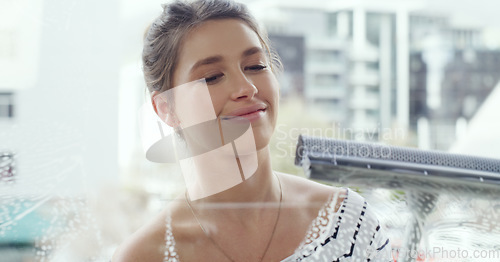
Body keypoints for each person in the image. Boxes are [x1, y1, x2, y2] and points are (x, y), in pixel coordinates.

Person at [113, 0, 391, 261]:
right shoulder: (144, 255)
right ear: (166, 109)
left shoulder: (349, 223)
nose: (247, 87)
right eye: (211, 77)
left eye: (256, 66)